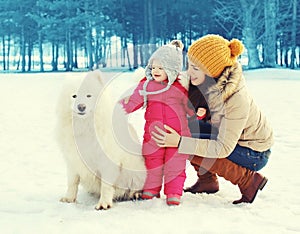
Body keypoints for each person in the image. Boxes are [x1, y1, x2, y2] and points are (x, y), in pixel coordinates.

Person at [151, 34, 274, 204]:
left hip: (253, 152)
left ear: (211, 70)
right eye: (189, 65)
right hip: (233, 140)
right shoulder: (206, 81)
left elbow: (222, 147)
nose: (189, 72)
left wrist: (179, 142)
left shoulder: (236, 99)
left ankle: (248, 180)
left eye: (195, 68)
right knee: (185, 128)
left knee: (187, 142)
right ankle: (207, 182)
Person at [120, 40, 194, 206]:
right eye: (153, 67)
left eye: (161, 68)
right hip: (153, 136)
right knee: (152, 162)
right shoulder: (146, 86)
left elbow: (191, 107)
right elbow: (133, 101)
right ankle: (151, 190)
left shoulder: (180, 88)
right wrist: (118, 109)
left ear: (172, 69)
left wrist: (199, 112)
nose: (156, 71)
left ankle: (174, 193)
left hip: (177, 136)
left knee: (175, 165)